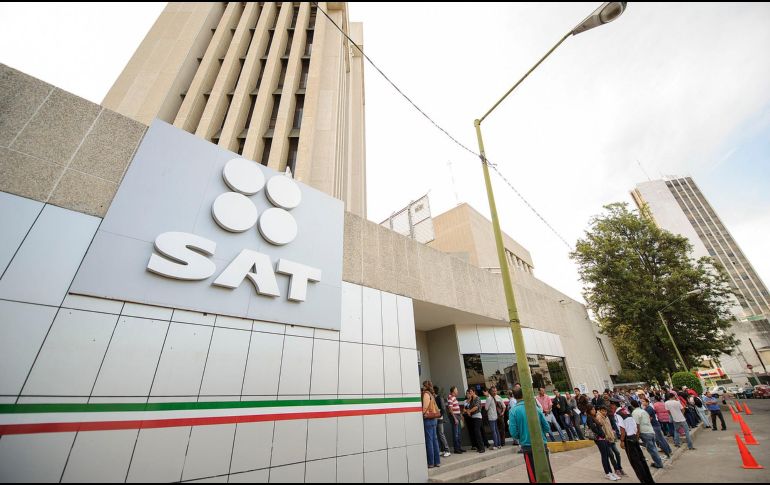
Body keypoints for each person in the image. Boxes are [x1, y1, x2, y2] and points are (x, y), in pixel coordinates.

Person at [508, 387, 555, 483]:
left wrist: (523, 435)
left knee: (533, 476)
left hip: (527, 446)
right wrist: (541, 434)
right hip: (541, 444)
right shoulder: (536, 408)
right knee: (548, 473)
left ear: (514, 396)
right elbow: (546, 427)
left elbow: (514, 433)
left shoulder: (513, 411)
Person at [619, 404, 655, 483]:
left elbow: (622, 429)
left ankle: (644, 480)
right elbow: (636, 424)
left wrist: (622, 441)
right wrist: (637, 433)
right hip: (634, 437)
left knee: (636, 463)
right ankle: (649, 480)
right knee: (641, 460)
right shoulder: (627, 411)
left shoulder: (618, 413)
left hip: (628, 439)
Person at [586, 405, 623, 481]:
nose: (594, 410)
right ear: (589, 411)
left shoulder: (593, 417)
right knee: (604, 456)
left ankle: (610, 472)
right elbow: (593, 428)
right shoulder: (589, 418)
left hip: (603, 438)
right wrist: (601, 434)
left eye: (594, 409)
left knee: (606, 456)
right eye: (592, 409)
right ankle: (607, 473)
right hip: (599, 439)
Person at [631, 400, 664, 470]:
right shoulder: (643, 411)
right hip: (650, 430)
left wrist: (637, 434)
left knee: (652, 450)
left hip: (645, 432)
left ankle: (659, 464)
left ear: (632, 406)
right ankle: (658, 462)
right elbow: (649, 419)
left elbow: (637, 424)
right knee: (654, 448)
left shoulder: (635, 412)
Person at [421, 381, 441, 468]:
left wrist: (423, 414)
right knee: (435, 441)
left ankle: (431, 463)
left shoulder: (426, 394)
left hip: (428, 420)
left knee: (429, 441)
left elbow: (425, 407)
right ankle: (437, 461)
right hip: (434, 419)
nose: (422, 387)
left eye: (423, 386)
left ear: (425, 386)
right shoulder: (432, 395)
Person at [463, 388, 485, 453]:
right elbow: (467, 407)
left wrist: (469, 411)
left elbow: (476, 407)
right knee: (476, 432)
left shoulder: (477, 398)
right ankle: (479, 447)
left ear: (474, 392)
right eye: (469, 392)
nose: (470, 393)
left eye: (471, 391)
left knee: (477, 432)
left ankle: (482, 448)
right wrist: (467, 411)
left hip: (478, 417)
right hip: (473, 417)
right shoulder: (472, 399)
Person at [433, 386, 451, 457]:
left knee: (441, 434)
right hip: (435, 418)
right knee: (438, 435)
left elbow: (443, 408)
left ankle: (447, 450)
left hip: (439, 418)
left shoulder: (439, 398)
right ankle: (442, 450)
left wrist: (439, 415)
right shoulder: (433, 398)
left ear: (434, 391)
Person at [446, 386, 465, 453]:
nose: (457, 391)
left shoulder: (454, 398)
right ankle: (456, 449)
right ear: (453, 391)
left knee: (458, 433)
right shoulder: (450, 398)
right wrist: (455, 418)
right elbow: (450, 409)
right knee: (456, 433)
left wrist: (460, 416)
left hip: (458, 416)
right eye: (456, 390)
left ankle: (459, 447)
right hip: (455, 416)